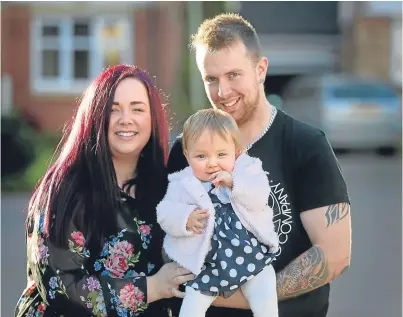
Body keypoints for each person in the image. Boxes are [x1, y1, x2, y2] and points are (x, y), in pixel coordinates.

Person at [167, 13, 352, 317]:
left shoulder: (305, 145)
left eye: (233, 75)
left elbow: (335, 255)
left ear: (260, 69)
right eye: (211, 79)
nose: (222, 92)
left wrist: (252, 295)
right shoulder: (185, 150)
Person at [14, 64, 195, 317]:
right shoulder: (65, 190)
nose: (126, 118)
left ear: (153, 119)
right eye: (114, 109)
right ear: (95, 117)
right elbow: (61, 288)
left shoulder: (167, 188)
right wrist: (151, 288)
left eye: (138, 109)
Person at [157, 109, 279, 317]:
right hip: (207, 266)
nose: (212, 163)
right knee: (190, 310)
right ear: (187, 156)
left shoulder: (247, 171)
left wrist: (234, 184)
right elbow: (165, 213)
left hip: (249, 256)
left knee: (266, 300)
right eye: (201, 156)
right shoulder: (182, 183)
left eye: (221, 154)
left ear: (237, 152)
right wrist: (186, 218)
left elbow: (260, 197)